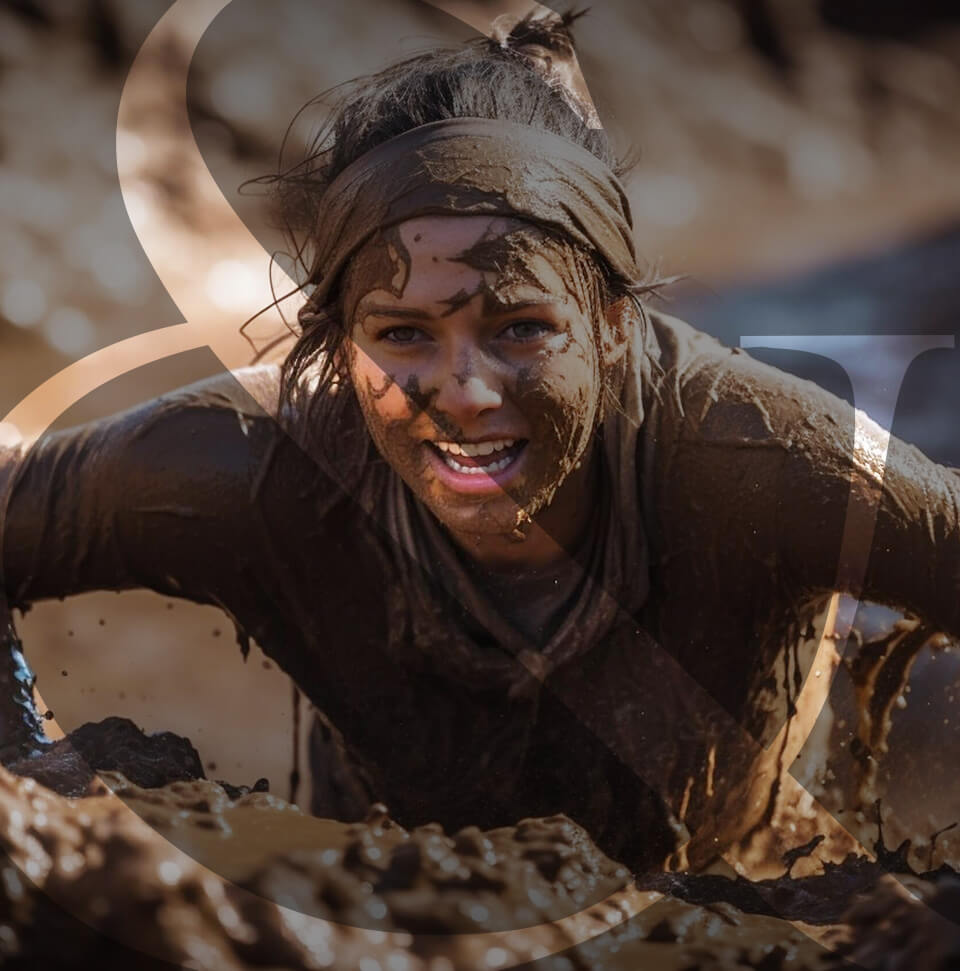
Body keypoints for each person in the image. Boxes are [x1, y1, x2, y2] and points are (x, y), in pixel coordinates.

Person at [2, 17, 960, 886]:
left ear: (614, 326)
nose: (462, 394)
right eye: (403, 334)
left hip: (741, 876)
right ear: (339, 346)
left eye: (522, 329)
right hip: (391, 897)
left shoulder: (763, 463)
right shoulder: (252, 471)